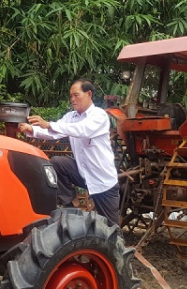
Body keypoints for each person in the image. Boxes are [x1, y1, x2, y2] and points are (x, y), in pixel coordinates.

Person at [19, 79, 120, 226]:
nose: (72, 99)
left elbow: (82, 130)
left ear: (89, 94)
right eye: (71, 96)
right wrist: (31, 129)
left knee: (113, 230)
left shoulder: (99, 116)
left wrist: (48, 124)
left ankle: (118, 245)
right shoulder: (70, 117)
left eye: (76, 95)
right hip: (82, 173)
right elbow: (54, 132)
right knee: (57, 163)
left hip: (102, 181)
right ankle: (71, 205)